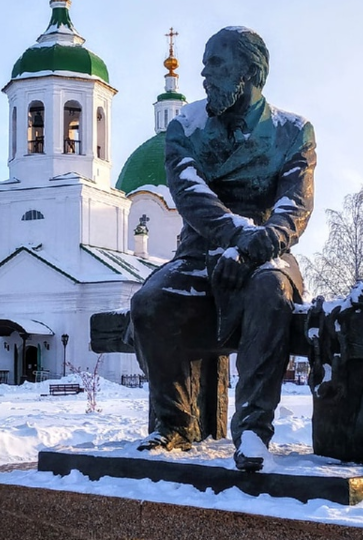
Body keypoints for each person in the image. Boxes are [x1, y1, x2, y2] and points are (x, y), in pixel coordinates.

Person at [129, 26, 316, 471]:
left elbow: (295, 207)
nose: (204, 73)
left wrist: (251, 251)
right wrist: (235, 238)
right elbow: (192, 197)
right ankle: (174, 423)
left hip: (267, 255)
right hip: (199, 253)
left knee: (270, 293)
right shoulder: (186, 128)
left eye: (216, 63)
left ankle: (252, 429)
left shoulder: (292, 132)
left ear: (249, 72)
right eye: (206, 63)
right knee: (150, 303)